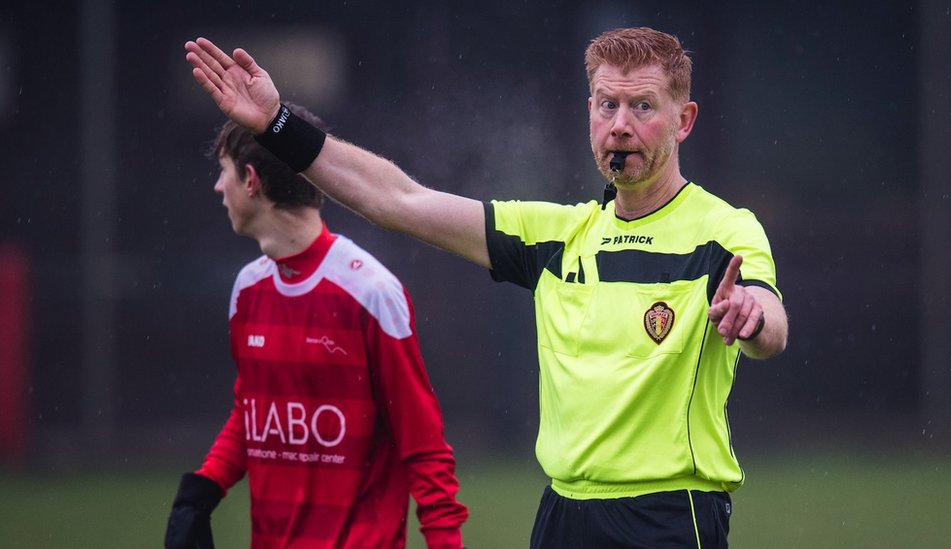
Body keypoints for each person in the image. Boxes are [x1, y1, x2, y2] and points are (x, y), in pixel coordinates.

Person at [185, 25, 788, 548]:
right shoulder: (558, 234)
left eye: (643, 107)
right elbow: (399, 201)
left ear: (684, 121)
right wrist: (278, 125)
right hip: (562, 513)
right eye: (608, 105)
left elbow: (771, 324)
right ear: (589, 111)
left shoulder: (723, 229)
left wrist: (752, 318)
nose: (621, 126)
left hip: (669, 515)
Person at [164, 102, 468, 549]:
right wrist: (204, 489)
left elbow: (423, 446)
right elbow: (255, 412)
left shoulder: (370, 292)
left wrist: (446, 544)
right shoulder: (248, 290)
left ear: (251, 181)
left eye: (224, 171)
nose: (217, 187)